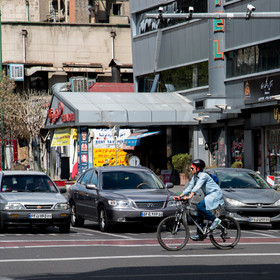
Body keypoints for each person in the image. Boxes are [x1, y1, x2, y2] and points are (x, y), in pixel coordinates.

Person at [173, 159, 224, 241]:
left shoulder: (204, 176)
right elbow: (190, 187)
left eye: (192, 168)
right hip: (209, 195)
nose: (190, 170)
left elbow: (197, 187)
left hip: (215, 194)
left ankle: (215, 220)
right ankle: (200, 234)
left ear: (198, 169)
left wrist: (189, 196)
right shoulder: (195, 177)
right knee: (198, 213)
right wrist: (180, 196)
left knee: (199, 206)